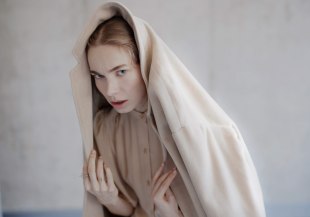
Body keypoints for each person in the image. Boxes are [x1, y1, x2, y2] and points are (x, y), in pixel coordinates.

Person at [70, 2, 266, 217]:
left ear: (145, 64)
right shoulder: (105, 129)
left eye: (121, 71)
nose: (110, 90)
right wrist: (109, 198)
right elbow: (131, 210)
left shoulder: (207, 132)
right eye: (98, 76)